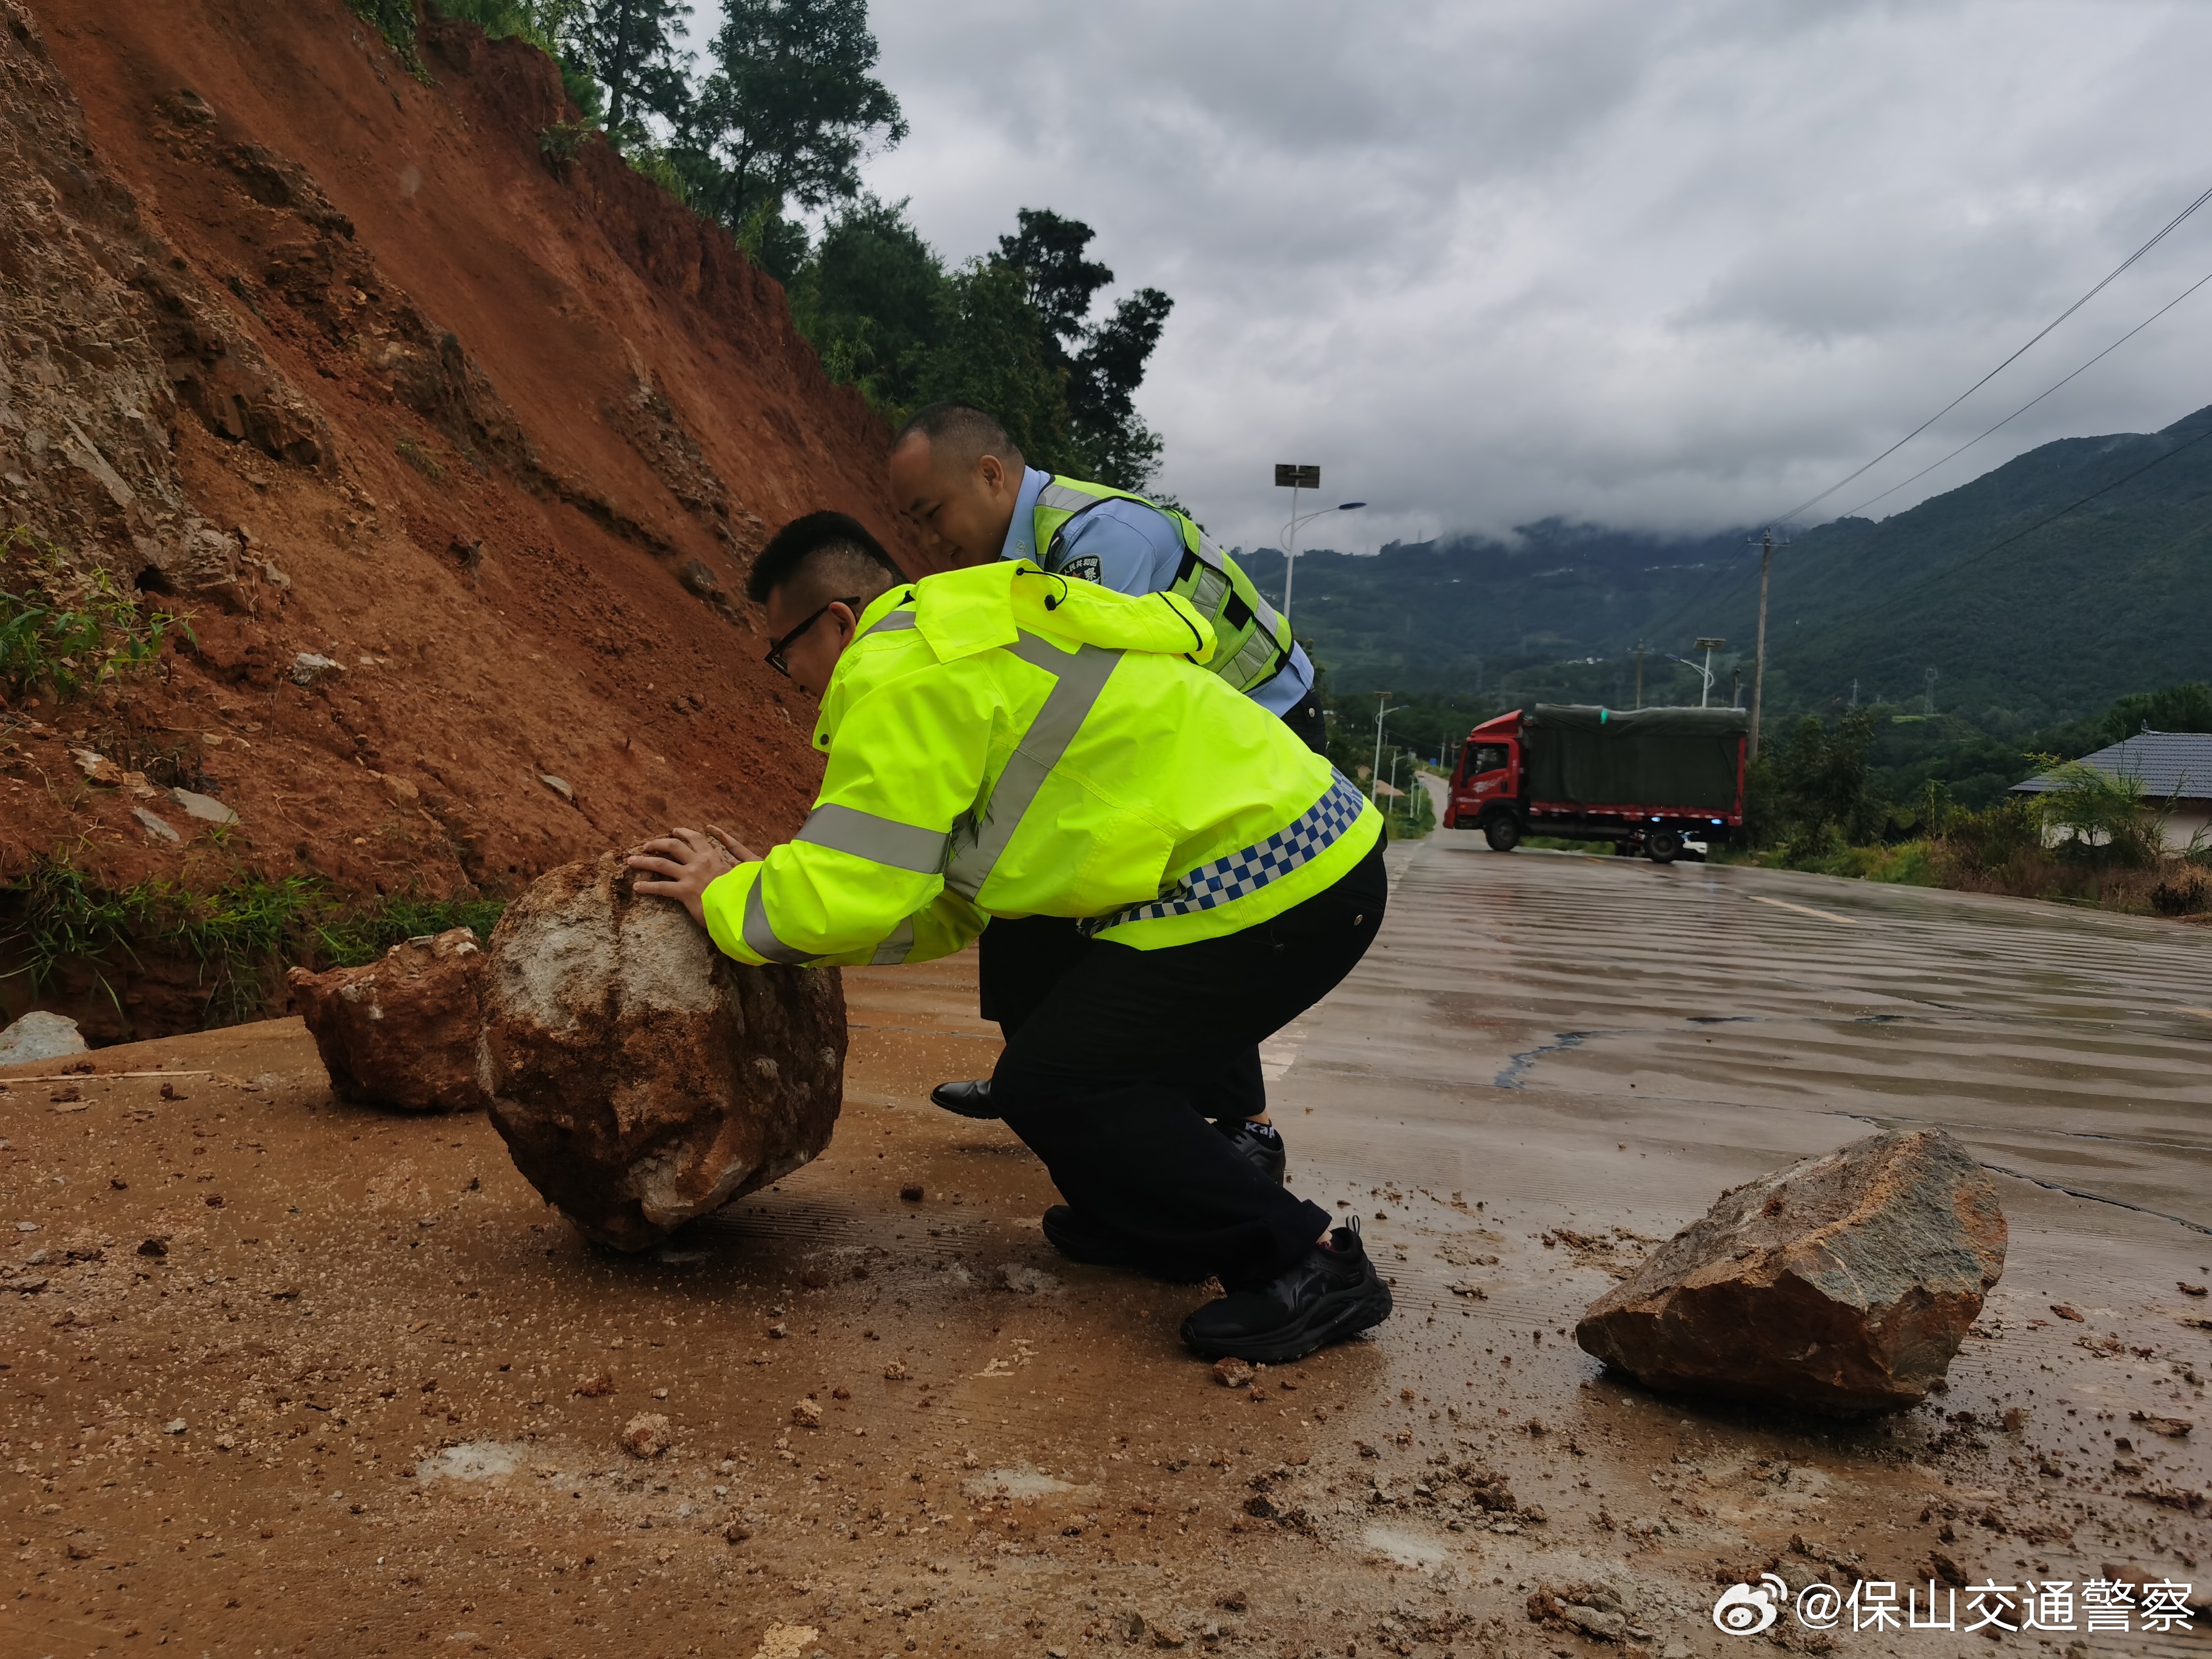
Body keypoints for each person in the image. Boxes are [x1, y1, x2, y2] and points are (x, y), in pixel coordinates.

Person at [626, 511, 1392, 1363]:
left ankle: (1307, 1261)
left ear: (839, 621)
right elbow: (936, 899)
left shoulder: (900, 670)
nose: (789, 675)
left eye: (785, 650)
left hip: (1282, 878)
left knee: (1059, 1082)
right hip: (1306, 854)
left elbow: (854, 890)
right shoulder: (970, 628)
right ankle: (1149, 1223)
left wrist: (726, 902)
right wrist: (768, 894)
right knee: (1033, 979)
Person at [885, 403, 1323, 1168]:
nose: (929, 540)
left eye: (932, 513)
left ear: (991, 476)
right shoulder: (1018, 560)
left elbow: (1075, 702)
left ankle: (1245, 1125)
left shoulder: (1098, 541)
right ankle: (1040, 1074)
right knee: (1025, 886)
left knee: (1184, 915)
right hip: (1176, 731)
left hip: (1265, 731)